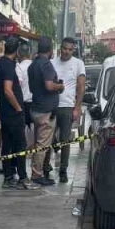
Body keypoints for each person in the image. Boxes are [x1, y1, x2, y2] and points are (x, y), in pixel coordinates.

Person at [0, 36, 32, 189]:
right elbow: (8, 91)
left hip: (4, 111)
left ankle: (8, 176)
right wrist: (18, 108)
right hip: (13, 113)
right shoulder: (9, 66)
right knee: (20, 144)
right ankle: (22, 177)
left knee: (7, 144)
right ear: (17, 51)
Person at [47, 36, 86, 184]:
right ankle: (45, 167)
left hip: (67, 106)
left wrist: (77, 107)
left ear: (73, 50)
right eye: (64, 48)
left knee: (65, 140)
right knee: (48, 139)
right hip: (51, 106)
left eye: (70, 49)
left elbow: (81, 86)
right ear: (60, 47)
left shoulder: (78, 64)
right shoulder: (51, 63)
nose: (66, 52)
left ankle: (63, 170)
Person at [27, 37, 64, 185]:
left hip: (36, 108)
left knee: (39, 142)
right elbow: (49, 86)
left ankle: (38, 170)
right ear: (50, 50)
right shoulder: (46, 65)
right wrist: (59, 86)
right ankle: (37, 175)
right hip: (46, 111)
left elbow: (32, 88)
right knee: (42, 145)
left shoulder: (32, 65)